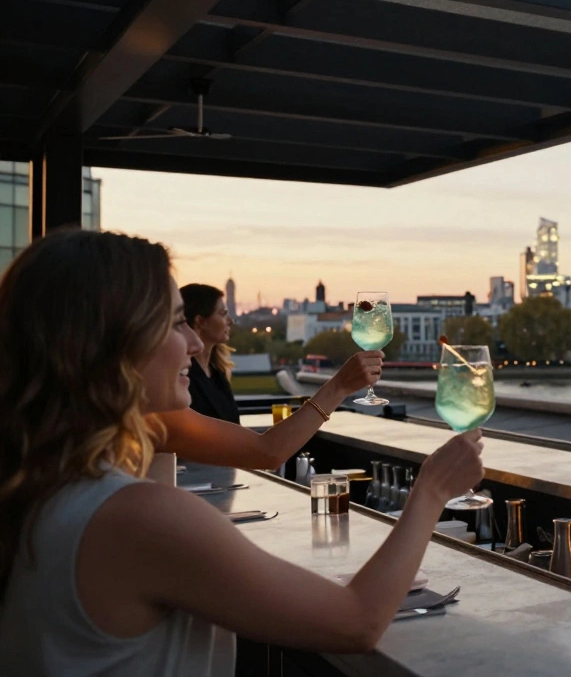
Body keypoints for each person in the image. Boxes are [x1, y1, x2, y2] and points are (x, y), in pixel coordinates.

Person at [0, 230, 486, 675]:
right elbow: (356, 623)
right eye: (173, 324)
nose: (192, 343)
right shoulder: (137, 517)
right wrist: (432, 490)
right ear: (110, 345)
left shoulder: (43, 492)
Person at [180, 283, 240, 424]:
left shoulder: (217, 373)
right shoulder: (182, 378)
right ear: (200, 321)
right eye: (223, 314)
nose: (230, 321)